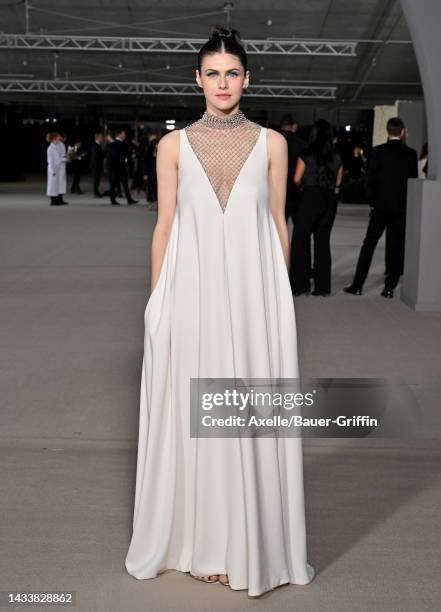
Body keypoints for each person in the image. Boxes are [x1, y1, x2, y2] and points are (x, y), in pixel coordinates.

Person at [124, 25, 315, 597]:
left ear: (247, 78)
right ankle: (206, 544)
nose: (223, 82)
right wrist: (157, 303)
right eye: (213, 73)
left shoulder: (274, 145)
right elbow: (164, 227)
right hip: (191, 296)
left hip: (256, 297)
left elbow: (278, 223)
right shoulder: (173, 146)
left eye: (233, 73)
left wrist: (279, 297)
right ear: (198, 79)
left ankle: (249, 542)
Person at [344, 117, 418, 298]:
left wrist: (372, 201)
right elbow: (413, 181)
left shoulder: (378, 152)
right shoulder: (411, 154)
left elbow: (371, 180)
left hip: (380, 207)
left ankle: (358, 285)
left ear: (387, 131)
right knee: (395, 247)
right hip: (401, 208)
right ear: (402, 132)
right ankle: (389, 288)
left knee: (368, 244)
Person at [289, 119, 343, 296]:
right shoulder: (337, 157)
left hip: (310, 196)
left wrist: (306, 188)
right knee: (322, 242)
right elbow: (338, 183)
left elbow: (297, 179)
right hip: (329, 199)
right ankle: (322, 288)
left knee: (300, 240)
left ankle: (300, 285)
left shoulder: (306, 154)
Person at [279, 113, 307, 224]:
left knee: (277, 228)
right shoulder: (303, 145)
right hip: (296, 191)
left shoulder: (271, 142)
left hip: (275, 191)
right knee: (300, 228)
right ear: (294, 126)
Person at [106, 128, 138, 205]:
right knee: (114, 184)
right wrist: (125, 159)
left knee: (124, 184)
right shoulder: (113, 144)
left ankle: (129, 200)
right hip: (115, 168)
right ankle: (113, 200)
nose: (125, 135)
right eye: (123, 134)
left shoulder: (119, 144)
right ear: (119, 135)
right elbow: (114, 156)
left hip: (120, 167)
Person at [46, 132, 68, 206]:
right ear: (54, 138)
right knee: (53, 185)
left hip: (60, 167)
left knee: (60, 184)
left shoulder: (60, 145)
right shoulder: (50, 148)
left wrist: (67, 158)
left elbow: (63, 155)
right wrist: (53, 171)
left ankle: (59, 199)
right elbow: (51, 160)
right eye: (58, 137)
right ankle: (53, 200)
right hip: (54, 168)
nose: (60, 138)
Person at [143, 137, 158, 210]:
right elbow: (145, 163)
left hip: (157, 173)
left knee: (157, 188)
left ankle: (156, 204)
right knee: (150, 188)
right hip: (150, 172)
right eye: (157, 144)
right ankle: (149, 204)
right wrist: (145, 174)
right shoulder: (148, 151)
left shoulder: (160, 151)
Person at [90, 133, 104, 197]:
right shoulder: (95, 145)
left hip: (97, 165)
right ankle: (96, 192)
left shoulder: (98, 145)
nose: (102, 138)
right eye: (101, 137)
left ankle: (96, 192)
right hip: (96, 165)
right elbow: (95, 157)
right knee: (96, 179)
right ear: (98, 138)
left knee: (97, 179)